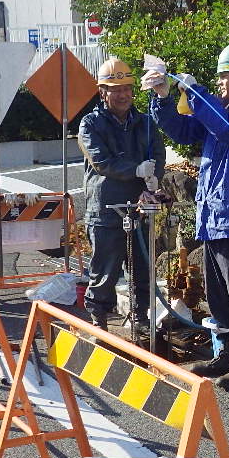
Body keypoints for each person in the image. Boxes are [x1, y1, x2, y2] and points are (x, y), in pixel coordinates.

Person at [142, 41, 229, 390]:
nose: (220, 84)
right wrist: (162, 96)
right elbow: (183, 130)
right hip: (214, 218)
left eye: (224, 78)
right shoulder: (220, 115)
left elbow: (227, 130)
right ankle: (226, 353)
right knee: (218, 297)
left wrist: (197, 93)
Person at [78, 57, 165, 342]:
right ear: (103, 92)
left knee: (141, 269)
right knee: (105, 269)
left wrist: (153, 179)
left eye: (127, 88)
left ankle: (140, 322)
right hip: (105, 208)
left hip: (139, 207)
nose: (124, 94)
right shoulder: (90, 124)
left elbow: (157, 154)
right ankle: (98, 321)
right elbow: (102, 161)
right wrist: (136, 170)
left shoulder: (145, 123)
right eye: (117, 90)